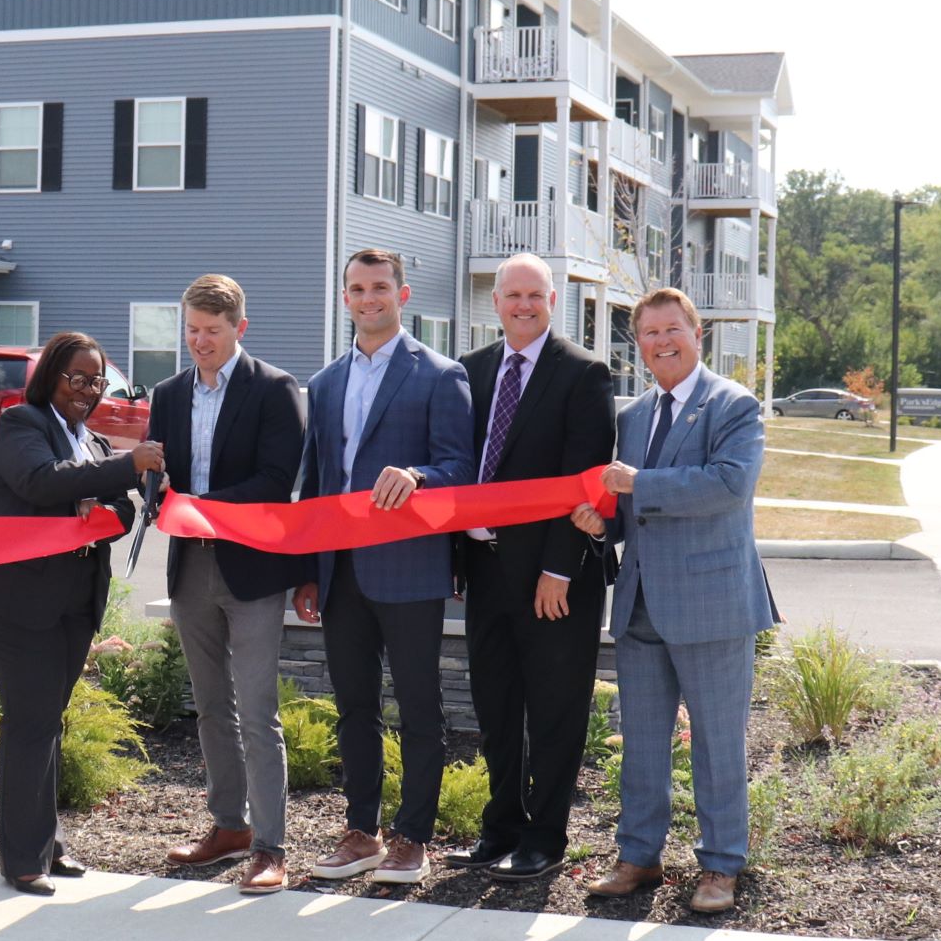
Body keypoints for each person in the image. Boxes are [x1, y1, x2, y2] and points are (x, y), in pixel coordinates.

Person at [574, 285, 778, 915]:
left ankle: (720, 867)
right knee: (641, 740)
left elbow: (729, 485)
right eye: (649, 334)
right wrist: (602, 525)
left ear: (697, 333)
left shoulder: (733, 406)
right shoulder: (632, 416)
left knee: (717, 741)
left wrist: (640, 483)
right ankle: (638, 857)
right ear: (638, 346)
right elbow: (634, 512)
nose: (661, 343)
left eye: (672, 330)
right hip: (640, 605)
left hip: (713, 603)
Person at [0, 331, 161, 895]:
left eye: (96, 381)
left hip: (70, 599)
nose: (87, 390)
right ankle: (22, 858)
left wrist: (103, 494)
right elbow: (38, 481)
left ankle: (47, 844)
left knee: (48, 717)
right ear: (50, 377)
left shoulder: (91, 441)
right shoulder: (25, 423)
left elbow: (118, 510)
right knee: (30, 718)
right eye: (76, 377)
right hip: (10, 596)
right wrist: (123, 468)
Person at [292, 249, 474, 887]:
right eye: (357, 289)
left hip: (411, 570)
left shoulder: (441, 374)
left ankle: (413, 836)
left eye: (380, 288)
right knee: (354, 707)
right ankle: (361, 830)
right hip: (340, 573)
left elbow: (463, 470)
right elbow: (316, 483)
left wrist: (419, 475)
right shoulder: (324, 383)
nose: (369, 299)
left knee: (419, 706)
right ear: (345, 297)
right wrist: (309, 572)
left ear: (403, 293)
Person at [452, 255, 617, 884]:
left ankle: (545, 838)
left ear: (554, 299)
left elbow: (586, 485)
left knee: (553, 710)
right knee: (496, 708)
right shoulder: (471, 371)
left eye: (535, 295)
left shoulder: (583, 373)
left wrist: (560, 569)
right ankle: (501, 829)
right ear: (494, 302)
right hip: (485, 568)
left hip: (555, 580)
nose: (523, 305)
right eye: (511, 295)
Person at [148, 275, 306, 894]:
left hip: (251, 569)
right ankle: (228, 827)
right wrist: (156, 493)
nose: (199, 342)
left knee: (257, 712)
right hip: (190, 568)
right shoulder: (168, 393)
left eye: (212, 331)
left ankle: (271, 848)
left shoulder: (273, 389)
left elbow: (275, 478)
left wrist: (202, 505)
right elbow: (158, 478)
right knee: (211, 705)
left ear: (239, 328)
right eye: (191, 330)